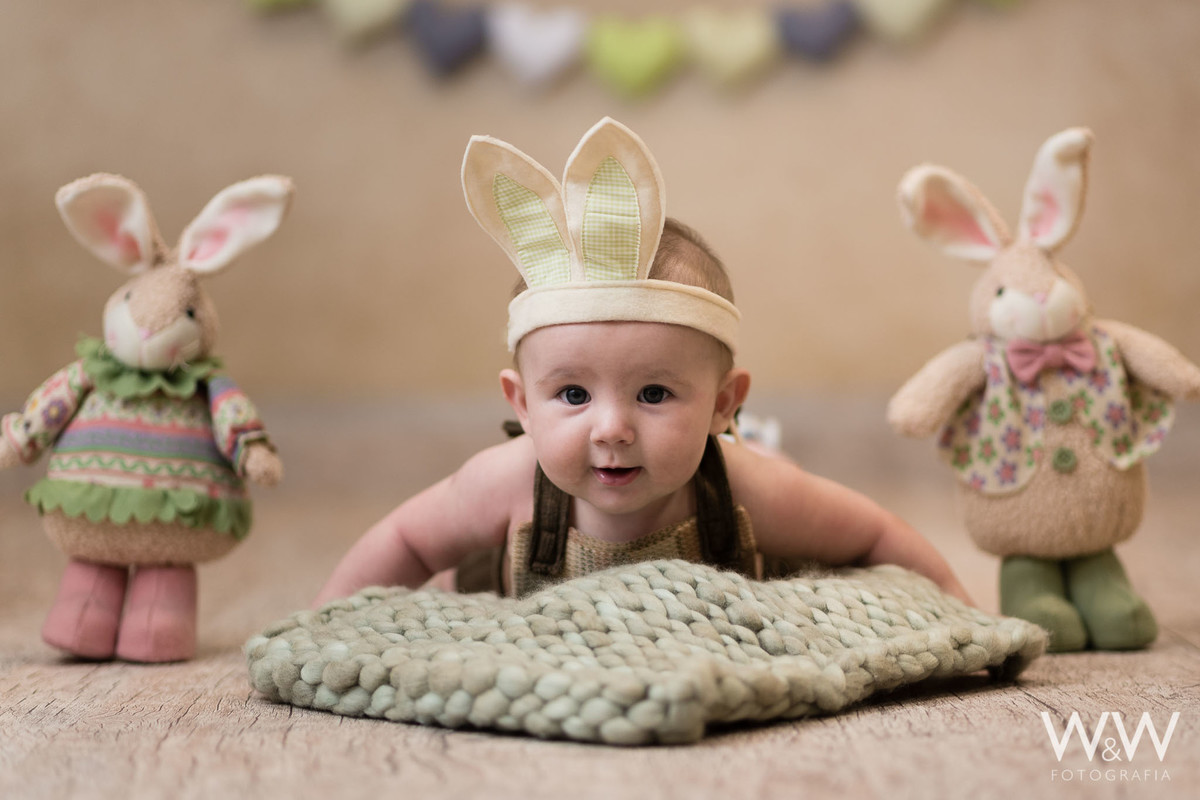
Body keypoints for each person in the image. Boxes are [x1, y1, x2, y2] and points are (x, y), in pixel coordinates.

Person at [314, 119, 970, 606]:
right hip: (517, 586)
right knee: (459, 579)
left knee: (796, 545)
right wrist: (325, 617)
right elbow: (407, 541)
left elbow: (872, 535)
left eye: (654, 394)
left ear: (722, 403)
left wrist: (952, 602)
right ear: (520, 404)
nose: (612, 428)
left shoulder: (746, 490)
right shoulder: (507, 482)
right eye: (572, 395)